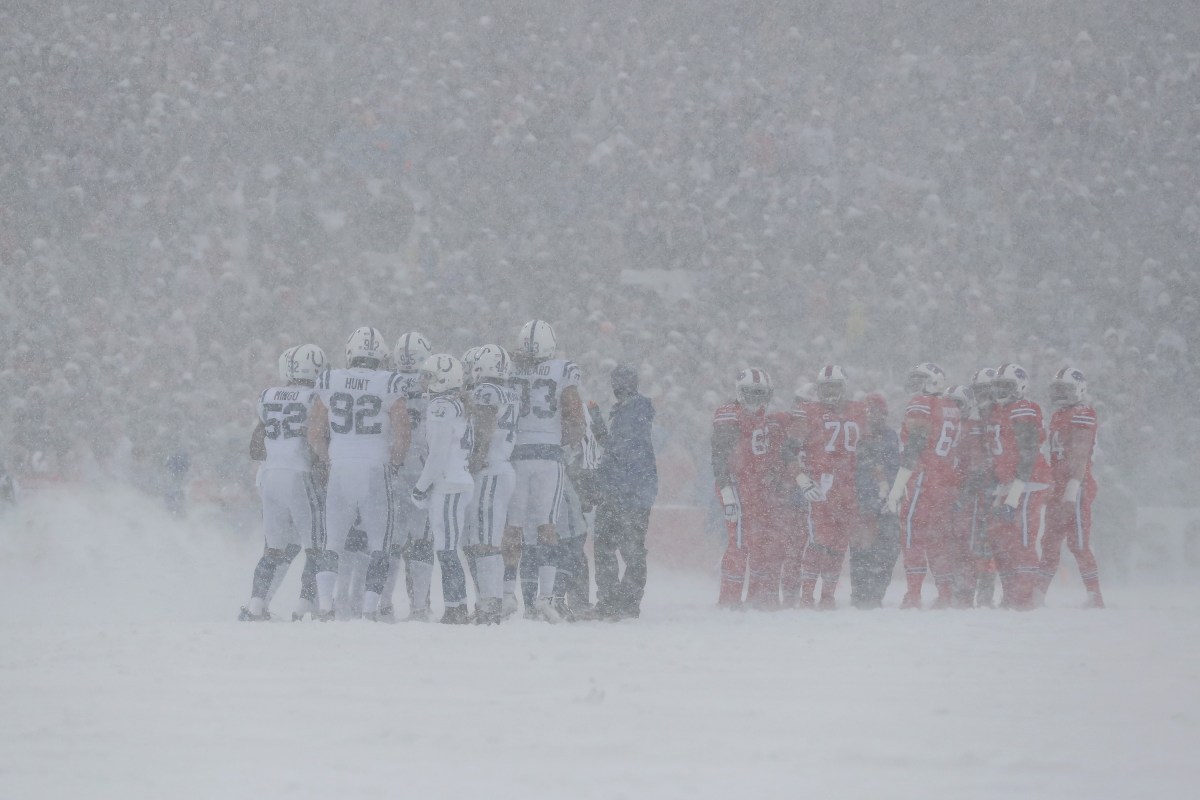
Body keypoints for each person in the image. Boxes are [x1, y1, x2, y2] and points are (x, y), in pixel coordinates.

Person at [309, 327, 410, 621]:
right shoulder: (389, 381)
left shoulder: (330, 379)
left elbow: (315, 432)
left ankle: (326, 606)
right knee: (379, 545)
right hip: (374, 467)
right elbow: (403, 432)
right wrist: (394, 463)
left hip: (340, 465)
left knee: (333, 543)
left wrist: (328, 459)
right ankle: (369, 609)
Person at [504, 320, 585, 622]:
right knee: (546, 526)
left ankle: (507, 592)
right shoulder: (562, 369)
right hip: (548, 454)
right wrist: (570, 438)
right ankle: (545, 597)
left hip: (516, 453)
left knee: (513, 526)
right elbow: (573, 410)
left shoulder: (509, 367)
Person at [240, 344, 326, 621]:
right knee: (317, 547)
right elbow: (319, 437)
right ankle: (304, 606)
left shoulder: (267, 396)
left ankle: (255, 604)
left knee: (273, 548)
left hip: (268, 475)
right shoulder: (316, 396)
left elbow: (255, 447)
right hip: (298, 472)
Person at [788, 365, 866, 609]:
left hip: (849, 486)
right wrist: (803, 481)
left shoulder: (858, 410)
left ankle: (828, 596)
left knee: (838, 544)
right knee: (818, 541)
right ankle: (807, 596)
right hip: (822, 486)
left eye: (835, 387)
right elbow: (789, 451)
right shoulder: (809, 411)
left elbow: (872, 449)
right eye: (826, 388)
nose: (830, 393)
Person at [885, 362, 962, 609]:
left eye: (921, 380)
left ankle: (914, 594)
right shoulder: (951, 407)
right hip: (945, 479)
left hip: (924, 478)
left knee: (912, 535)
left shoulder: (922, 403)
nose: (915, 385)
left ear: (933, 382)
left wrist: (898, 486)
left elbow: (915, 446)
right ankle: (946, 593)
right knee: (938, 538)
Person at [712, 367, 789, 608]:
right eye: (751, 393)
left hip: (759, 487)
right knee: (739, 543)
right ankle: (729, 598)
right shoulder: (729, 415)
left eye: (760, 393)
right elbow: (719, 455)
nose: (756, 399)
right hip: (736, 484)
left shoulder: (766, 419)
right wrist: (726, 489)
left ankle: (758, 597)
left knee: (761, 542)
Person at [411, 354, 475, 623]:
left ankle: (455, 607)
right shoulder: (452, 404)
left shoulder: (441, 407)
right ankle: (456, 605)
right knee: (447, 548)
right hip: (455, 479)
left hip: (448, 482)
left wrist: (420, 486)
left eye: (429, 376)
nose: (424, 381)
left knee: (447, 549)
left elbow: (437, 455)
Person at [592, 364, 658, 620]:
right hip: (635, 492)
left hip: (623, 491)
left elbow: (617, 450)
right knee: (629, 548)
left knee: (612, 546)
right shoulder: (635, 411)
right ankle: (625, 601)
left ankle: (614, 601)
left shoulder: (630, 412)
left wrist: (597, 424)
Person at [984, 362, 1050, 610]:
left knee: (1023, 541)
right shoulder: (999, 411)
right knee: (1001, 542)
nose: (1001, 390)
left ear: (1020, 387)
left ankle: (1024, 599)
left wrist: (1014, 491)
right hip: (1008, 483)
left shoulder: (1024, 409)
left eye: (1006, 386)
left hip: (1028, 483)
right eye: (998, 385)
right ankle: (1011, 595)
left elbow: (1028, 452)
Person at [1037, 367, 1104, 608]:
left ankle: (1095, 596)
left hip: (1076, 486)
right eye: (1057, 390)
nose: (1059, 395)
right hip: (1059, 485)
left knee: (1078, 543)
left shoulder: (1082, 413)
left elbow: (1080, 453)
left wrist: (1072, 489)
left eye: (1064, 389)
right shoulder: (1059, 415)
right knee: (1050, 542)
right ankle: (1038, 595)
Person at [380, 331, 434, 622]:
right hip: (423, 468)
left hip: (394, 467)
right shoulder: (435, 381)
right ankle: (419, 606)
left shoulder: (387, 381)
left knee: (392, 541)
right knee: (423, 542)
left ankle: (384, 603)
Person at [463, 344, 519, 624]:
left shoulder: (487, 391)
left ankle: (491, 605)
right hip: (502, 468)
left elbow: (485, 430)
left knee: (485, 543)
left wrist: (474, 461)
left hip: (490, 470)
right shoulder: (510, 392)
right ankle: (489, 601)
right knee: (482, 541)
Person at [849, 392, 900, 609]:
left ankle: (877, 594)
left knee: (888, 551)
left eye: (879, 413)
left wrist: (894, 493)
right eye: (870, 413)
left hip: (887, 504)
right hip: (863, 502)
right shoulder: (855, 435)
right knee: (862, 552)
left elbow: (895, 466)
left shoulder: (891, 436)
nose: (874, 417)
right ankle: (860, 595)